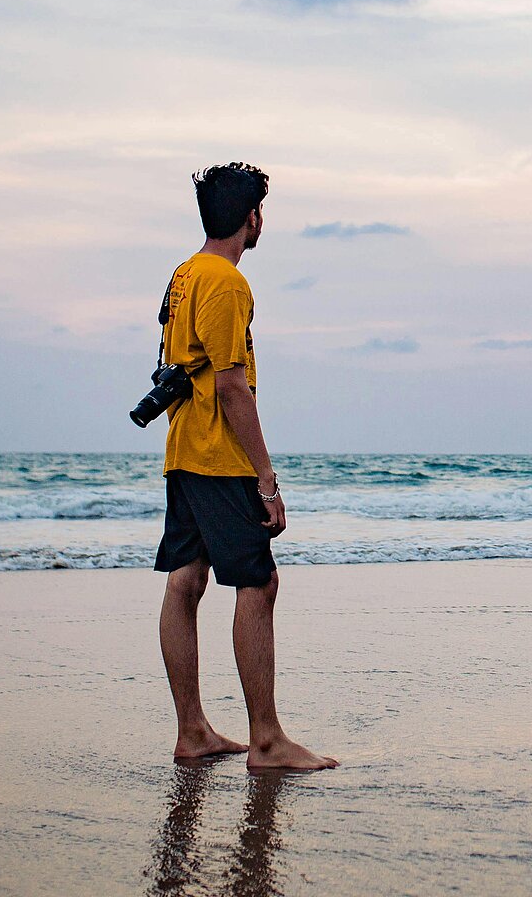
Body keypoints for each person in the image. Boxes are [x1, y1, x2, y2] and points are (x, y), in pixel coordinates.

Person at [152, 161, 338, 772]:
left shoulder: (184, 275)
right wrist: (266, 478)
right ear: (250, 216)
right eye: (262, 210)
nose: (264, 221)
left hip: (182, 451)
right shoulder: (228, 283)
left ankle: (193, 732)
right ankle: (266, 740)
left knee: (185, 582)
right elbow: (232, 387)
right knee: (257, 584)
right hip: (217, 456)